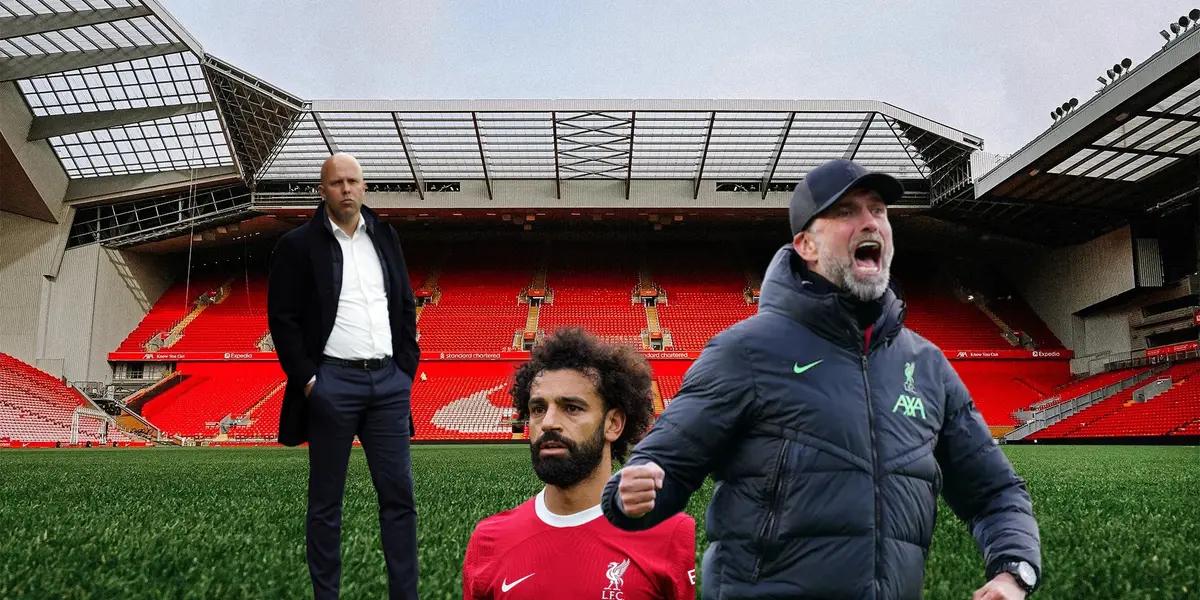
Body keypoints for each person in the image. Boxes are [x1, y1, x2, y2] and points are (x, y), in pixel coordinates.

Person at [601, 159, 1042, 600]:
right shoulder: (746, 351)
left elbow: (995, 492)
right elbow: (664, 467)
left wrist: (1013, 572)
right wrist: (632, 492)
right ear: (806, 245)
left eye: (879, 210)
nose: (870, 221)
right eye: (847, 211)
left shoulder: (927, 366)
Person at [267, 152, 421, 600]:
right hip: (332, 383)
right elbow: (283, 319)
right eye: (337, 183)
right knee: (326, 504)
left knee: (399, 498)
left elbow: (405, 303)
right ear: (323, 189)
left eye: (353, 181)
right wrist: (311, 381)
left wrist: (405, 369)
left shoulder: (386, 236)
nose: (346, 190)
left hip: (388, 383)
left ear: (365, 186)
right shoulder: (298, 245)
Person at [463, 328, 695, 599]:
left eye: (571, 408)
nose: (548, 422)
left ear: (613, 424)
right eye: (538, 409)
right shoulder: (488, 540)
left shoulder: (672, 535)